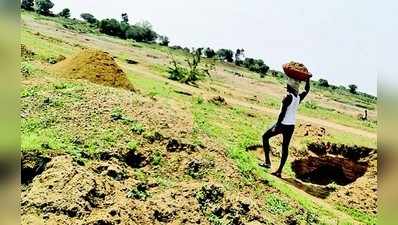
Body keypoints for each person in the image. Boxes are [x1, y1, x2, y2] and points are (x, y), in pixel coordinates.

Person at [259, 77, 310, 177]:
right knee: (285, 147)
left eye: (288, 85)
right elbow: (306, 90)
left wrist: (277, 125)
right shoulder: (298, 98)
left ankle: (267, 162)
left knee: (265, 137)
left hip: (282, 124)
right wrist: (308, 80)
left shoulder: (287, 97)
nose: (286, 86)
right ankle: (279, 171)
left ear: (290, 87)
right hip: (291, 126)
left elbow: (282, 113)